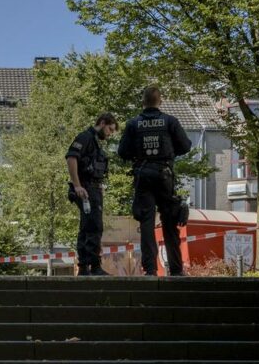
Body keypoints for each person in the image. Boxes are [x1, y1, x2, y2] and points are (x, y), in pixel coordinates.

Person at [118, 85, 192, 276]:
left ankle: (150, 269)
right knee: (170, 222)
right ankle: (176, 269)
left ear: (143, 102)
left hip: (143, 176)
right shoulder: (170, 121)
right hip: (164, 175)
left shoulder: (133, 124)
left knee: (147, 224)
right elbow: (186, 146)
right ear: (160, 101)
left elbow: (122, 152)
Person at [66, 113, 118, 276]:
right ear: (102, 123)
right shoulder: (86, 137)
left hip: (93, 188)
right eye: (110, 129)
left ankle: (83, 267)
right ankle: (94, 266)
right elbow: (71, 158)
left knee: (86, 227)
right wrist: (77, 186)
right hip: (86, 189)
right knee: (95, 226)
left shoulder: (95, 142)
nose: (110, 133)